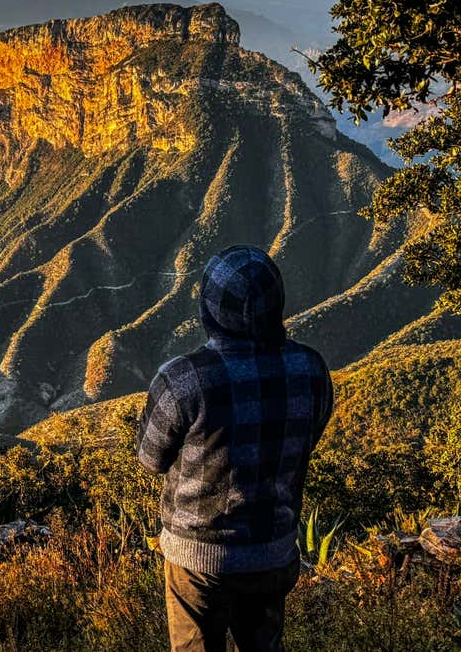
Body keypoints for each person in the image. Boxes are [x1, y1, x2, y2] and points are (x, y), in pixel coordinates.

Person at [136, 245, 333, 652]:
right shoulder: (311, 370)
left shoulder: (183, 379)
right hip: (272, 553)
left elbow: (151, 460)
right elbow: (308, 436)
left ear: (209, 311)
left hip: (198, 559)